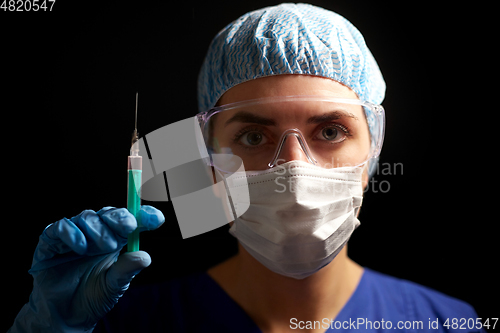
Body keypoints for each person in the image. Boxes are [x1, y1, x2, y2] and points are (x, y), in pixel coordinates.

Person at [9, 3, 484, 333]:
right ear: (209, 164)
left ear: (372, 151)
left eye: (331, 131)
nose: (294, 169)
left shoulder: (447, 322)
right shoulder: (127, 323)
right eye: (254, 137)